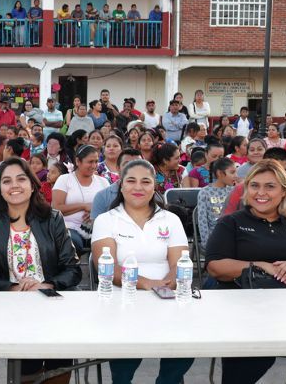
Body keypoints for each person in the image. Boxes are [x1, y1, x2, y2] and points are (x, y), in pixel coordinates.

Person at [205, 159, 286, 384]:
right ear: (246, 189)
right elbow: (215, 266)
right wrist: (260, 265)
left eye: (270, 186)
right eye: (255, 185)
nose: (261, 193)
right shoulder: (232, 223)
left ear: (284, 191)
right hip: (247, 314)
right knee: (244, 368)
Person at [0, 157, 81, 384]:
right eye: (7, 181)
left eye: (21, 179)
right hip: (12, 308)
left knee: (59, 363)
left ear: (33, 185)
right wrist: (15, 288)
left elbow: (72, 269)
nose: (14, 186)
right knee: (28, 366)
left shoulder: (53, 219)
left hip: (53, 303)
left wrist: (47, 285)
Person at [91, 159, 194, 383]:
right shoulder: (106, 220)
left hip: (167, 297)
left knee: (185, 349)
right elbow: (107, 268)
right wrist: (147, 283)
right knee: (124, 363)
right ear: (121, 185)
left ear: (154, 186)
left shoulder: (171, 219)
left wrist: (166, 285)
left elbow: (179, 263)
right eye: (131, 181)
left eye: (145, 181)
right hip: (122, 300)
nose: (138, 187)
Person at [52, 145, 109, 254]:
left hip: (96, 228)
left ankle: (97, 270)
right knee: (73, 242)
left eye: (96, 161)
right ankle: (73, 270)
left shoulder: (103, 182)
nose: (94, 165)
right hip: (69, 227)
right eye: (90, 162)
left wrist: (96, 212)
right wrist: (84, 206)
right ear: (78, 161)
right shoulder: (65, 179)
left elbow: (110, 208)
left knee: (105, 244)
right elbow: (55, 208)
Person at [195, 158, 236, 252]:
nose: (235, 176)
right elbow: (202, 221)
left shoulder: (233, 190)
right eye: (232, 172)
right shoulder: (205, 192)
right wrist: (207, 242)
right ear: (220, 173)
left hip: (232, 236)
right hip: (214, 237)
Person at [90, 149, 143, 220]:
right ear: (118, 168)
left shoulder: (151, 195)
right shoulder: (102, 196)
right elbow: (96, 227)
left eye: (137, 164)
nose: (132, 168)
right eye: (127, 164)